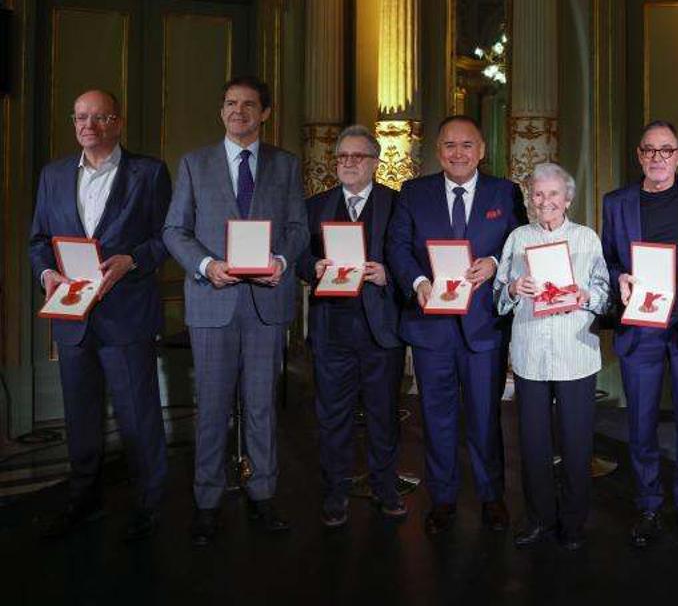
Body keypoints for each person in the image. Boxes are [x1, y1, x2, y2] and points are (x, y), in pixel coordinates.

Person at [163, 76, 307, 546]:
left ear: (266, 112)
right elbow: (174, 231)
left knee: (262, 405)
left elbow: (296, 228)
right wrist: (207, 265)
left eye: (248, 105)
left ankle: (262, 494)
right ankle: (207, 502)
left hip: (266, 303)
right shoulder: (194, 164)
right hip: (213, 300)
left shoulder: (285, 165)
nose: (237, 111)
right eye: (229, 103)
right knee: (213, 408)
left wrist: (281, 262)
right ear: (221, 110)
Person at [29, 89, 172, 541]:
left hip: (126, 314)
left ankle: (150, 505)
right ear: (74, 123)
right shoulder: (53, 176)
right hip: (72, 317)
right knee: (81, 416)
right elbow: (38, 241)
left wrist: (132, 259)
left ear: (118, 122)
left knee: (138, 417)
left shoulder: (148, 173)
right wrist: (47, 272)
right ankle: (85, 501)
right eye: (80, 118)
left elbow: (168, 237)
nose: (88, 125)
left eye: (99, 117)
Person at [386, 115, 525, 535]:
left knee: (485, 416)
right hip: (432, 326)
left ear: (481, 150)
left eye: (467, 145)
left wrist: (496, 263)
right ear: (438, 151)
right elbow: (397, 246)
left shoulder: (506, 192)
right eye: (449, 145)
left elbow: (520, 242)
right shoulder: (413, 193)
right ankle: (442, 499)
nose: (458, 153)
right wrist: (418, 281)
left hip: (483, 326)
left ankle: (491, 496)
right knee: (437, 416)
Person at [600, 120, 678, 547]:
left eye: (665, 150)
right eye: (649, 150)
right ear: (639, 156)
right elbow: (607, 258)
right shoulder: (617, 202)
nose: (657, 158)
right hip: (642, 326)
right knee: (641, 421)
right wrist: (619, 278)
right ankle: (648, 503)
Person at [495, 163, 610, 551]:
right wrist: (513, 287)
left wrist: (585, 296)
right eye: (538, 194)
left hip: (575, 351)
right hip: (530, 354)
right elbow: (498, 300)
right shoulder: (516, 238)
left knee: (577, 444)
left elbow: (604, 292)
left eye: (554, 194)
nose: (546, 201)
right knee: (533, 444)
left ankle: (573, 522)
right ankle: (539, 518)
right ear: (530, 197)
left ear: (568, 198)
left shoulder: (586, 238)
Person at [297, 125, 405, 527]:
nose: (347, 164)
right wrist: (314, 267)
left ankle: (385, 487)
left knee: (383, 415)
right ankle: (336, 492)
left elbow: (411, 256)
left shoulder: (397, 204)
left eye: (356, 157)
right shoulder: (315, 206)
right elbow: (297, 257)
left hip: (381, 329)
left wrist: (387, 274)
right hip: (331, 328)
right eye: (342, 157)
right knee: (333, 416)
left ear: (375, 163)